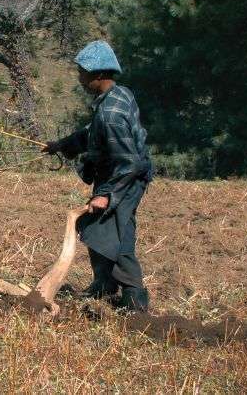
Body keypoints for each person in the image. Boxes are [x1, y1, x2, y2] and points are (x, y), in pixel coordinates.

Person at [42, 40, 153, 312]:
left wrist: (106, 195)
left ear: (99, 75)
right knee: (97, 227)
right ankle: (103, 284)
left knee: (117, 235)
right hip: (116, 174)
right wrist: (63, 145)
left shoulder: (112, 113)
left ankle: (134, 302)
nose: (80, 79)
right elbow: (93, 132)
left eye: (83, 73)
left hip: (124, 178)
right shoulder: (116, 96)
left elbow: (130, 161)